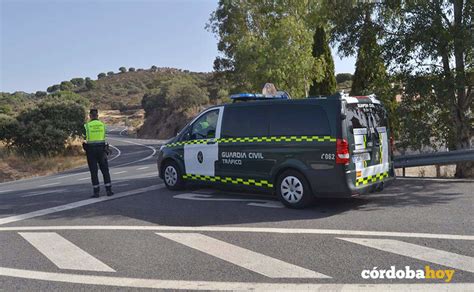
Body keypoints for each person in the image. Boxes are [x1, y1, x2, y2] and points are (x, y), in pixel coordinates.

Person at [83, 109, 113, 197]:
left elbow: (84, 138)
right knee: (105, 170)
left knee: (94, 171)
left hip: (91, 151)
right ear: (97, 115)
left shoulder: (86, 126)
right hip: (102, 149)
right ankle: (109, 190)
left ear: (90, 116)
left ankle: (96, 192)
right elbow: (104, 137)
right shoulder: (102, 125)